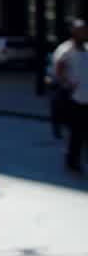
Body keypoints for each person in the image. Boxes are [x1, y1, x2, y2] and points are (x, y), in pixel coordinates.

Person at [54, 18, 88, 173]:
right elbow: (58, 69)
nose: (84, 33)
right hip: (74, 97)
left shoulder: (86, 49)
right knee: (76, 132)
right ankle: (72, 161)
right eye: (81, 30)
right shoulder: (65, 50)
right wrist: (68, 84)